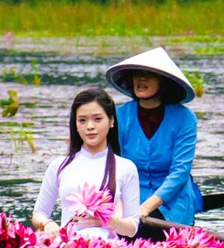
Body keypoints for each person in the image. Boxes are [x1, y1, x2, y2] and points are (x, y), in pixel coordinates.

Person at [104, 46, 202, 226]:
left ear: (164, 82)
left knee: (146, 229)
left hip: (172, 203)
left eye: (149, 74)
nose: (141, 79)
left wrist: (146, 208)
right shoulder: (119, 116)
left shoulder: (185, 118)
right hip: (128, 196)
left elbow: (180, 172)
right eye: (137, 74)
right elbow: (113, 166)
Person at [32, 88, 142, 238]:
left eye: (97, 119)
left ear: (111, 121)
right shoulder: (59, 166)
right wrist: (48, 224)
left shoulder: (126, 168)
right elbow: (39, 213)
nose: (90, 126)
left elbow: (132, 228)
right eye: (82, 120)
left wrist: (105, 220)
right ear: (75, 125)